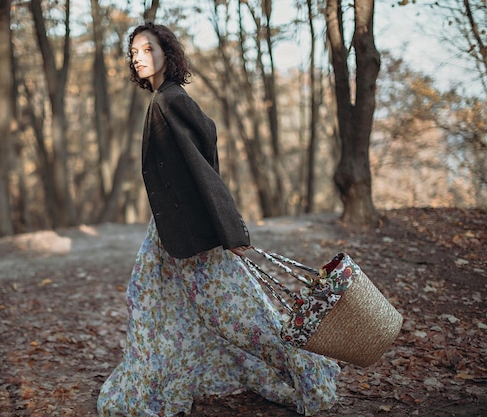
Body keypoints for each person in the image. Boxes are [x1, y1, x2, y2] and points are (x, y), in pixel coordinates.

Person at [97, 22, 340, 417]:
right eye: (134, 53)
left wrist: (231, 230)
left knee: (238, 315)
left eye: (147, 49)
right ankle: (160, 386)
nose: (139, 58)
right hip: (172, 232)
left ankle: (309, 371)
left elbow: (202, 169)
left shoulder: (171, 101)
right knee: (155, 304)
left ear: (167, 54)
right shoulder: (164, 99)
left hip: (196, 233)